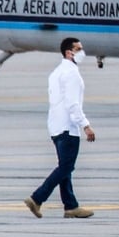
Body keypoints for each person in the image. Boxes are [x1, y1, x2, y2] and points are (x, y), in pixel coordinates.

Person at [24, 37, 96, 219]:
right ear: (68, 52)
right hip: (68, 127)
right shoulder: (71, 74)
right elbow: (72, 104)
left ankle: (71, 206)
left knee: (65, 167)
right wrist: (85, 125)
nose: (82, 52)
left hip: (55, 126)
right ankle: (37, 198)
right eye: (78, 49)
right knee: (66, 167)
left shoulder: (56, 73)